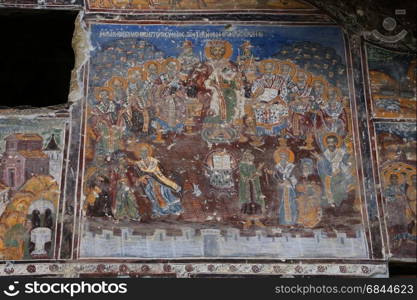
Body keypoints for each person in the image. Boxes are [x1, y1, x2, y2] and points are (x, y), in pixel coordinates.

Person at [130, 143, 182, 217]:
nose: (143, 153)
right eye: (141, 151)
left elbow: (163, 174)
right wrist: (141, 178)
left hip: (160, 182)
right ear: (139, 153)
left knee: (164, 191)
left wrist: (158, 180)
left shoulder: (155, 162)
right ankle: (159, 210)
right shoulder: (138, 164)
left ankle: (173, 208)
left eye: (145, 151)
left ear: (148, 151)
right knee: (153, 193)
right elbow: (137, 178)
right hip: (148, 184)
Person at [314, 133, 353, 207]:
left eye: (332, 142)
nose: (330, 144)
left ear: (336, 142)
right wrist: (321, 160)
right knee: (329, 186)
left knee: (341, 188)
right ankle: (332, 203)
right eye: (328, 142)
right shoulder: (324, 154)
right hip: (329, 177)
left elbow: (346, 161)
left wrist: (347, 159)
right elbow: (323, 168)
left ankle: (341, 203)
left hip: (341, 176)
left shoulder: (341, 152)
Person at [273, 148, 298, 225]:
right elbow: (274, 178)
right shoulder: (277, 167)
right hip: (280, 190)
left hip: (290, 189)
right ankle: (283, 222)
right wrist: (279, 183)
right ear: (279, 157)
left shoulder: (292, 166)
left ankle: (292, 221)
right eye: (282, 156)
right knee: (281, 205)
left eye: (285, 156)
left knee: (291, 204)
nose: (283, 158)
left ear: (288, 157)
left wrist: (289, 181)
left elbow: (296, 178)